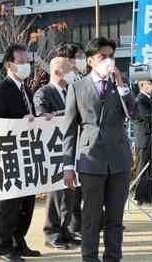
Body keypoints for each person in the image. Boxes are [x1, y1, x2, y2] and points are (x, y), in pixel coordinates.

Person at [63, 37, 136, 262]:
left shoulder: (120, 85)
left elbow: (134, 114)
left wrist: (122, 86)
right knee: (91, 216)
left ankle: (113, 258)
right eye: (103, 56)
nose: (108, 60)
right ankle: (89, 257)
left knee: (115, 217)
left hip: (119, 160)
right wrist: (67, 165)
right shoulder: (77, 86)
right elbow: (69, 129)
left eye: (111, 56)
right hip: (90, 160)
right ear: (90, 61)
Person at [0, 44, 41, 262]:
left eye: (27, 61)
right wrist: (18, 123)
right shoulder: (3, 91)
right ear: (9, 65)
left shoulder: (26, 89)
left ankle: (19, 240)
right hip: (9, 153)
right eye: (21, 62)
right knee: (9, 203)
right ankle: (4, 246)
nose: (26, 65)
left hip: (27, 153)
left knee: (27, 202)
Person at [34, 57, 81, 250]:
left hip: (70, 149)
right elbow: (42, 118)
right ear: (58, 72)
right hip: (53, 151)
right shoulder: (43, 93)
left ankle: (65, 230)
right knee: (55, 194)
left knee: (70, 192)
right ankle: (51, 233)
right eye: (69, 70)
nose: (73, 73)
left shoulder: (70, 91)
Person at [58, 42, 86, 237]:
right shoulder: (67, 81)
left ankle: (77, 224)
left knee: (80, 190)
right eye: (79, 56)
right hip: (68, 144)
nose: (82, 60)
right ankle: (67, 227)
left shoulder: (81, 78)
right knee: (68, 192)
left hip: (82, 144)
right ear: (68, 60)